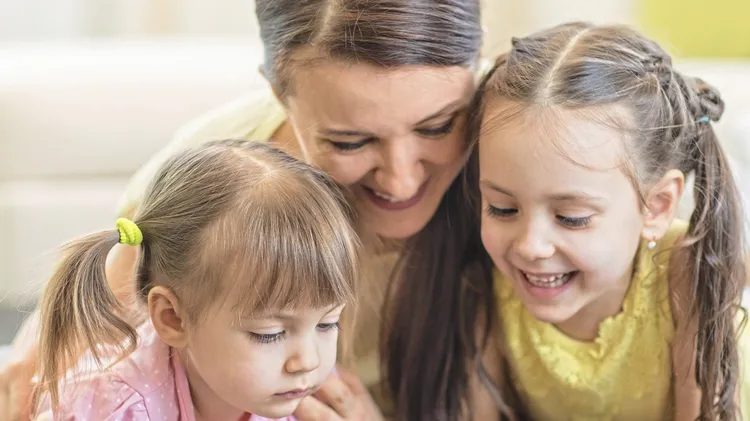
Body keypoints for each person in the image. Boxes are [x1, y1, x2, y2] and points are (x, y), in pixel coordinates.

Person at [1, 1, 498, 420]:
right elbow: (55, 357)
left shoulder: (519, 146)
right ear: (278, 95)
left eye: (437, 126)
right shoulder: (217, 189)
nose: (400, 180)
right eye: (350, 141)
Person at [392, 22, 750, 420]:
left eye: (571, 218)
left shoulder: (686, 273)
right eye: (502, 209)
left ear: (657, 207)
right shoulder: (487, 285)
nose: (530, 245)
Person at [32, 140, 360, 420]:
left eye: (327, 324)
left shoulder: (294, 386)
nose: (309, 361)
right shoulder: (116, 409)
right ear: (173, 318)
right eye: (269, 334)